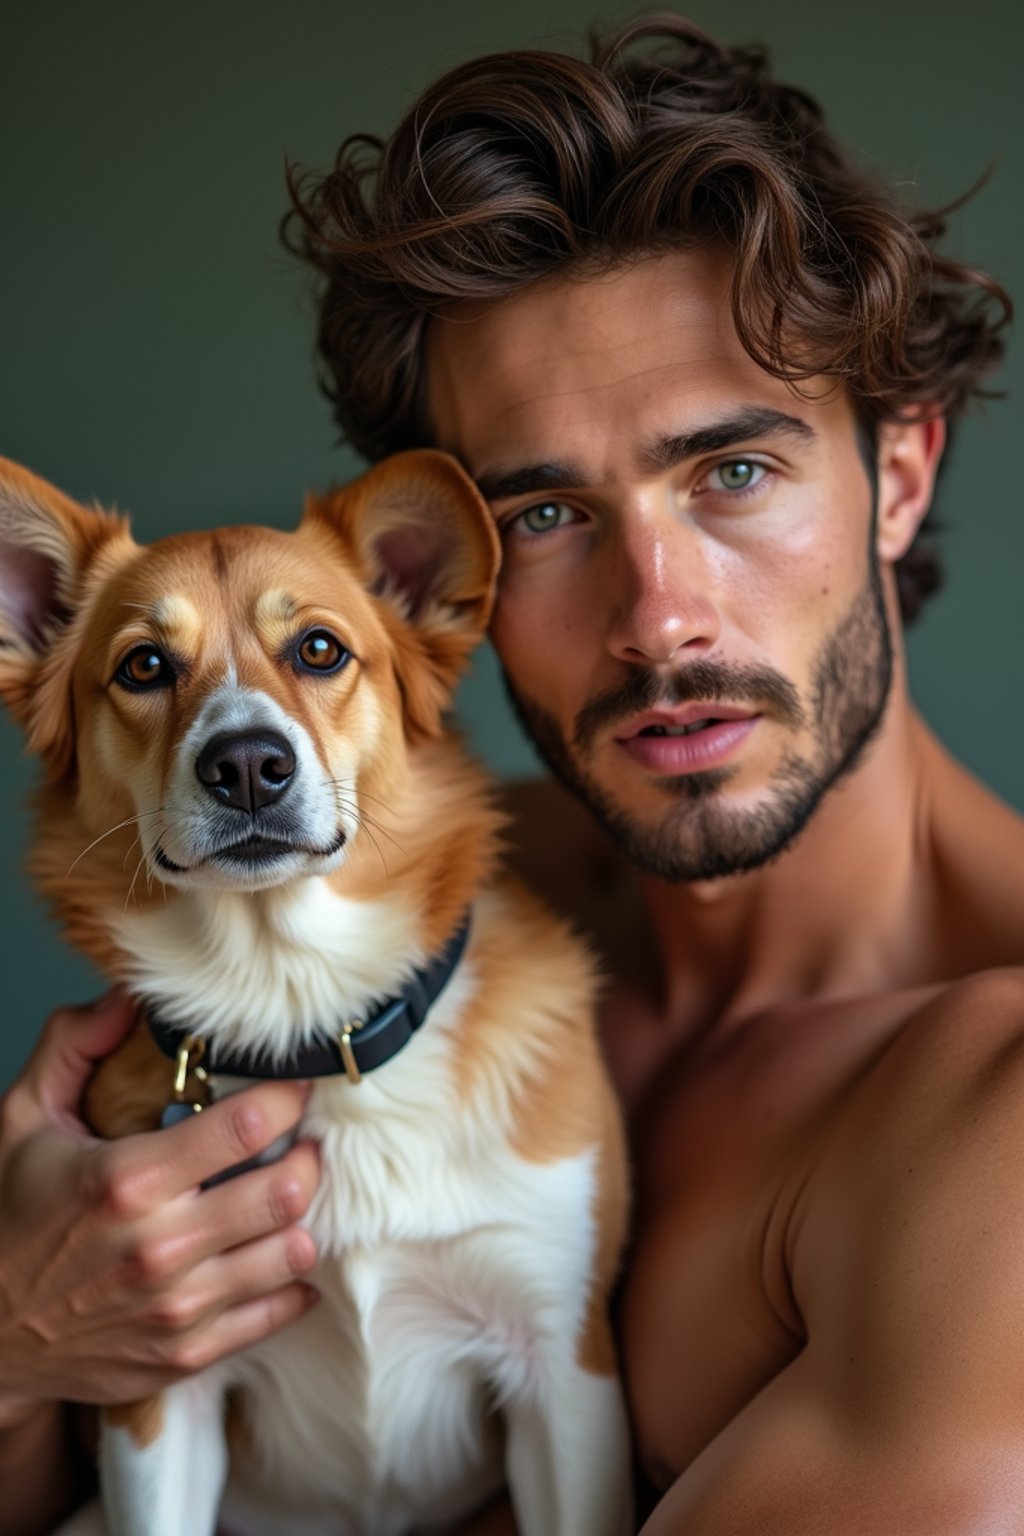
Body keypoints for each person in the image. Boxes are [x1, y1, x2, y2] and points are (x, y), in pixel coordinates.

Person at [2, 14, 1022, 1534]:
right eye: (544, 514)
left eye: (732, 471)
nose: (657, 611)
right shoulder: (421, 895)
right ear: (447, 574)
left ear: (901, 474)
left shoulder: (994, 1106)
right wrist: (21, 1337)